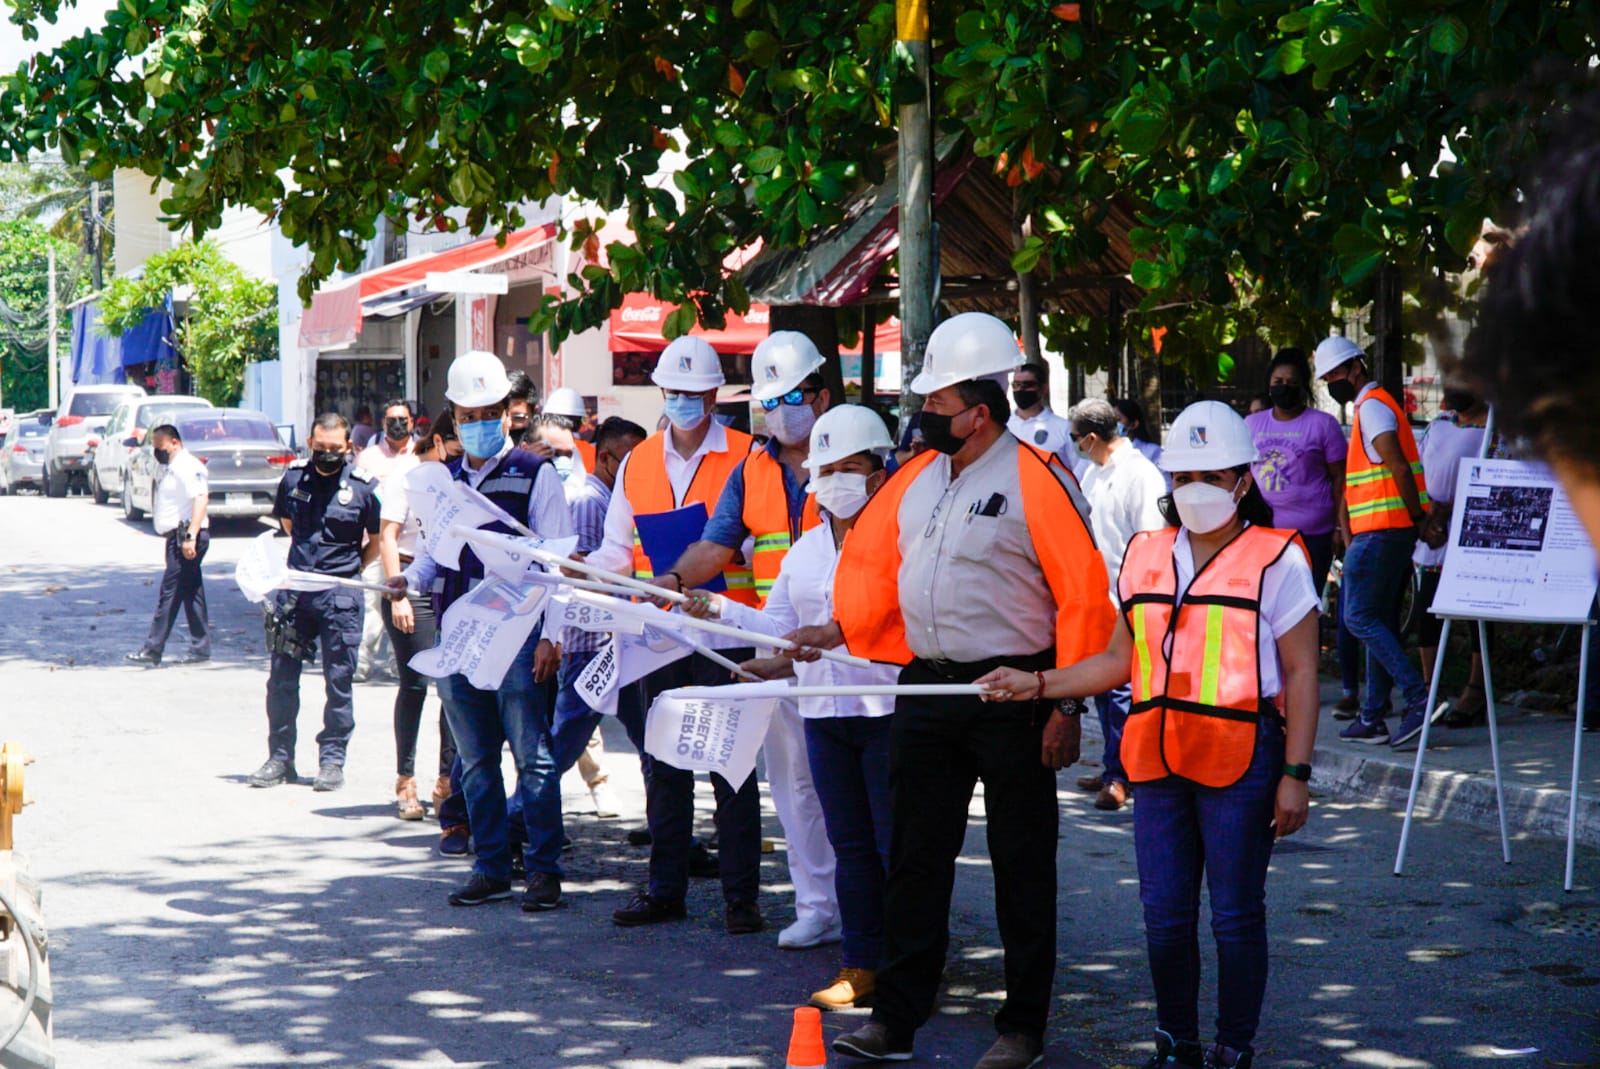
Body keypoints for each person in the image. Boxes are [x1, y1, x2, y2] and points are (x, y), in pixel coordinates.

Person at [790, 312, 1114, 1069]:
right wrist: (838, 629)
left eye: (937, 402)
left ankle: (1022, 1026)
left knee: (1021, 861)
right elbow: (886, 574)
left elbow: (1085, 599)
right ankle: (897, 1020)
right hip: (927, 688)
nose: (923, 413)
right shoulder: (915, 478)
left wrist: (1063, 704)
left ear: (980, 409)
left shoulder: (1038, 478)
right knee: (915, 857)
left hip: (1015, 687)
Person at [978, 400, 1321, 1069]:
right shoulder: (1145, 552)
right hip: (1158, 761)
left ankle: (1233, 1047)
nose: (1196, 489)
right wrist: (1037, 682)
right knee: (1164, 918)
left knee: (1234, 917)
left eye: (1213, 476)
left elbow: (1304, 672)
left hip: (1243, 762)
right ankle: (1175, 1043)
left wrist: (1296, 773)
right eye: (1185, 474)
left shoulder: (1276, 558)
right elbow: (1117, 659)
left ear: (1242, 483)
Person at [685, 405, 900, 1010]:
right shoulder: (806, 550)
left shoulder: (899, 542)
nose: (834, 480)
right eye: (824, 469)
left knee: (893, 846)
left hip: (887, 709)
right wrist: (720, 611)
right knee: (852, 844)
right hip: (823, 713)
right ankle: (859, 964)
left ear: (878, 475)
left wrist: (826, 637)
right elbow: (781, 626)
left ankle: (905, 965)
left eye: (850, 468)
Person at [659, 330, 841, 950]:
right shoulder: (751, 468)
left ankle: (868, 904)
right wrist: (675, 580)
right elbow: (717, 545)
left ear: (820, 393)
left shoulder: (854, 454)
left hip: (853, 645)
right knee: (795, 785)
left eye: (792, 395)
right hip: (778, 648)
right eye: (771, 400)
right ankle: (818, 906)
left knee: (862, 785)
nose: (781, 410)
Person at [583, 335, 767, 935]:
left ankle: (741, 898)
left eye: (693, 392)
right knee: (662, 764)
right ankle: (665, 888)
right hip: (657, 631)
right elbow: (617, 549)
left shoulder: (748, 455)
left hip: (724, 627)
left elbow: (748, 538)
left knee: (730, 767)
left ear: (714, 394)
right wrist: (581, 573)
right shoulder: (638, 459)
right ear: (660, 391)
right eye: (673, 391)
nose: (683, 401)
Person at [387, 350, 575, 911]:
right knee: (474, 761)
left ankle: (542, 872)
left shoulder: (535, 474)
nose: (476, 423)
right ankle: (491, 867)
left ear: (507, 413)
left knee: (534, 758)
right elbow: (433, 557)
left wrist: (553, 635)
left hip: (518, 638)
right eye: (466, 414)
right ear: (451, 414)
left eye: (488, 411)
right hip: (458, 638)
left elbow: (559, 564)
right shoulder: (441, 484)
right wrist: (406, 580)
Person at [250, 413, 382, 792]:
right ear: (310, 442)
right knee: (281, 680)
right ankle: (280, 758)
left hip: (339, 594)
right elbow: (289, 525)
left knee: (338, 681)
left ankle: (332, 760)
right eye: (321, 448)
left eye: (335, 450)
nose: (327, 455)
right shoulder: (293, 478)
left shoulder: (363, 488)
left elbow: (374, 540)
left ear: (348, 448)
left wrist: (350, 569)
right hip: (295, 591)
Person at [1315, 336, 1433, 748]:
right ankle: (1373, 716)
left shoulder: (1373, 408)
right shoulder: (1373, 407)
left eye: (1335, 373)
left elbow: (1398, 467)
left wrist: (1418, 517)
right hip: (1381, 531)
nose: (1332, 382)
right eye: (1326, 377)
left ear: (1356, 368)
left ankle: (1418, 698)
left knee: (1358, 618)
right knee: (1376, 619)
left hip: (1384, 531)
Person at [1069, 397, 1169, 812]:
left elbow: (1152, 539)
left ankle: (1121, 776)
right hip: (1095, 600)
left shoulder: (1141, 475)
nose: (1073, 445)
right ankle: (1115, 764)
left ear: (1092, 438)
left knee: (1123, 693)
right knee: (1103, 692)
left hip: (1129, 600)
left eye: (1075, 439)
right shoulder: (1088, 471)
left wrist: (1136, 602)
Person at [1243, 349, 1354, 704]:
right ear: (1268, 385)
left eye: (1291, 383)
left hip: (1312, 534)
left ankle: (1303, 678)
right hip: (1261, 535)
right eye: (1278, 382)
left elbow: (1340, 480)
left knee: (1303, 608)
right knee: (1262, 606)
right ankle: (1267, 677)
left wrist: (1340, 527)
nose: (1284, 388)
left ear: (1303, 387)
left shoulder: (1323, 425)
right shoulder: (1252, 425)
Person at [552, 415, 648, 821]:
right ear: (606, 458)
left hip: (616, 641)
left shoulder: (614, 499)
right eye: (631, 461)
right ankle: (516, 820)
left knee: (650, 740)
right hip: (595, 644)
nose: (638, 471)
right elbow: (589, 577)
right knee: (562, 742)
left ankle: (671, 832)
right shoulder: (593, 502)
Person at [376, 409, 460, 821]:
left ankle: (446, 781)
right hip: (409, 583)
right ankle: (405, 779)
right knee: (415, 684)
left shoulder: (453, 478)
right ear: (440, 444)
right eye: (456, 449)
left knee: (452, 687)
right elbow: (387, 535)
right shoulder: (405, 476)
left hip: (449, 586)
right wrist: (399, 595)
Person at [1412, 381, 1490, 728]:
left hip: (1471, 531)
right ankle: (1429, 692)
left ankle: (1476, 691)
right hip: (1434, 532)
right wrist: (1428, 518)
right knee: (1426, 609)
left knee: (1476, 614)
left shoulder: (1495, 430)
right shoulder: (1440, 422)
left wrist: (1451, 512)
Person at [125, 422, 211, 667]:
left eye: (160, 446)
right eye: (154, 446)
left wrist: (190, 536)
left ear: (175, 442)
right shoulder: (172, 467)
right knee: (191, 592)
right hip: (177, 538)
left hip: (186, 538)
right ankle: (200, 648)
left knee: (170, 593)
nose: (157, 451)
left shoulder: (188, 466)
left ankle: (153, 649)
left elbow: (201, 499)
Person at [355, 399, 416, 683]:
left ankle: (399, 662)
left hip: (410, 548)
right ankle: (361, 661)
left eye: (403, 419)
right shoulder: (368, 457)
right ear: (382, 423)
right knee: (370, 604)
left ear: (412, 422)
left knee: (404, 604)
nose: (397, 424)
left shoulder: (421, 454)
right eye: (391, 419)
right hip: (378, 541)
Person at [1006, 360, 1074, 467]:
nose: (1020, 389)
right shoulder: (1002, 425)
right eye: (1016, 385)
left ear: (1043, 389)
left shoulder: (1064, 428)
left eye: (1027, 385)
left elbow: (1079, 469)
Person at [1113, 397, 1164, 467]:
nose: (1113, 424)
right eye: (1111, 419)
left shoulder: (1153, 452)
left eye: (1118, 419)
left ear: (1134, 424)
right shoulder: (1108, 453)